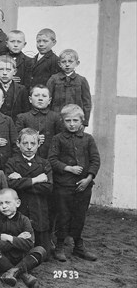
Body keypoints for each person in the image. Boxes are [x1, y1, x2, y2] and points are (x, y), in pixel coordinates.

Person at [49, 104, 100, 262]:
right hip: (63, 186)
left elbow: (95, 160)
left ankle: (78, 246)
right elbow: (52, 159)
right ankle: (59, 245)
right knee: (63, 216)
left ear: (82, 121)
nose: (72, 124)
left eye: (75, 120)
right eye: (68, 120)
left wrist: (89, 178)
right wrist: (68, 168)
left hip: (83, 186)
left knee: (79, 216)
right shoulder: (58, 139)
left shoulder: (88, 139)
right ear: (63, 121)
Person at [5, 128, 53, 258]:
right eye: (25, 143)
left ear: (39, 144)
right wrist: (36, 180)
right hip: (21, 206)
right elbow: (11, 184)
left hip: (38, 208)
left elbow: (48, 187)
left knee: (44, 255)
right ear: (18, 143)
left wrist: (22, 182)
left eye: (33, 143)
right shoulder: (12, 162)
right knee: (18, 250)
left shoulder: (44, 163)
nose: (29, 147)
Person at [0, 188, 46, 288]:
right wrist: (18, 239)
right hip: (4, 258)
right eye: (0, 204)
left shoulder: (24, 220)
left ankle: (12, 272)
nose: (4, 206)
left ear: (17, 203)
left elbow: (29, 244)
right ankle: (23, 274)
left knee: (41, 250)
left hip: (22, 257)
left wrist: (10, 238)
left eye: (7, 202)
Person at [15, 84, 64, 159]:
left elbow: (60, 139)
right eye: (37, 95)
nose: (40, 99)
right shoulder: (22, 117)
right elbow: (17, 139)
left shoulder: (56, 117)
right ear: (30, 99)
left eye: (44, 96)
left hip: (50, 157)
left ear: (49, 100)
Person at [47, 49, 92, 126]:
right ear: (59, 64)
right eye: (64, 62)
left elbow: (87, 103)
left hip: (75, 120)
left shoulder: (81, 80)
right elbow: (48, 100)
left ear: (77, 63)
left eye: (70, 61)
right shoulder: (53, 79)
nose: (67, 64)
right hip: (56, 120)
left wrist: (84, 123)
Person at [0, 55, 29, 121]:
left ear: (15, 71)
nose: (5, 73)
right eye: (1, 69)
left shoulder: (22, 89)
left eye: (8, 70)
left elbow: (25, 112)